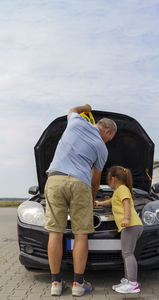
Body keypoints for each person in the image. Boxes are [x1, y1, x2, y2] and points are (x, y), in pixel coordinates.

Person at [44, 104, 117, 297]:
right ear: (107, 131)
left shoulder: (76, 122)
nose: (108, 141)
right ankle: (78, 283)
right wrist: (92, 199)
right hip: (80, 184)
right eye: (110, 138)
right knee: (81, 234)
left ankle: (56, 283)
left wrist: (86, 106)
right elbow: (95, 180)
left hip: (55, 179)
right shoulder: (101, 148)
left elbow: (72, 110)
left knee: (55, 232)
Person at [95, 165, 143, 294]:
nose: (108, 181)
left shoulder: (122, 189)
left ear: (113, 178)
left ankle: (133, 283)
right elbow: (111, 201)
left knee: (128, 253)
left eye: (108, 179)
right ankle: (128, 281)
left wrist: (126, 218)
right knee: (126, 253)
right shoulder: (119, 190)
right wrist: (99, 203)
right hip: (131, 226)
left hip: (130, 225)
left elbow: (126, 203)